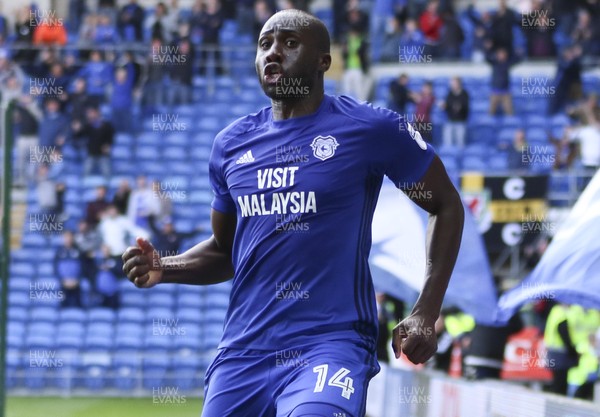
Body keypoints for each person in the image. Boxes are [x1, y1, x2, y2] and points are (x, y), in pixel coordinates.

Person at [123, 9, 464, 416]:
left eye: (289, 43)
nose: (272, 53)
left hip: (330, 343)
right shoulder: (230, 145)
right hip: (243, 351)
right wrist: (166, 266)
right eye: (264, 44)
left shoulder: (370, 129)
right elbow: (226, 250)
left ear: (324, 60)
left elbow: (445, 204)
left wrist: (426, 311)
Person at [441, 77, 469, 147]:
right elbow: (447, 106)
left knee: (460, 143)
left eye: (454, 83)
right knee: (447, 143)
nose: (452, 85)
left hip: (460, 122)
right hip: (450, 121)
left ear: (459, 83)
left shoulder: (464, 94)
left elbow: (466, 107)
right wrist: (444, 106)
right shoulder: (449, 94)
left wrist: (460, 107)